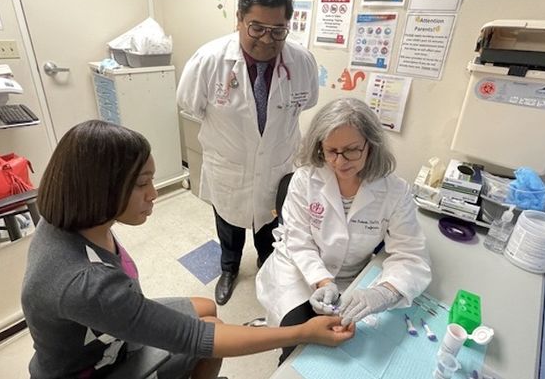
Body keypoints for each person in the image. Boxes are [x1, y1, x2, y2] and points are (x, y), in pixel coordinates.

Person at [21, 120, 353, 379]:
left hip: (104, 329)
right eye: (141, 184)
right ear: (99, 189)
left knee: (207, 307)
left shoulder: (71, 219)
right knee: (214, 335)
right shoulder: (86, 284)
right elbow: (194, 338)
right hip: (93, 367)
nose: (153, 193)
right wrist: (301, 332)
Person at [255, 98, 432, 363]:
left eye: (351, 150)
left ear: (370, 146)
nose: (340, 161)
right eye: (331, 151)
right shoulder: (305, 179)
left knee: (349, 349)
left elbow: (411, 255)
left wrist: (384, 292)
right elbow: (300, 240)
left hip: (353, 279)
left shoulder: (394, 192)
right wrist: (323, 281)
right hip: (297, 271)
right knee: (298, 346)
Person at [177, 0, 319, 305]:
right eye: (256, 28)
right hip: (229, 166)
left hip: (277, 164)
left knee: (271, 225)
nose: (267, 39)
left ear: (288, 25)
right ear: (239, 19)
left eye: (278, 30)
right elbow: (189, 104)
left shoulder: (302, 62)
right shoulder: (209, 60)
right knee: (228, 224)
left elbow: (307, 102)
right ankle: (228, 269)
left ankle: (267, 268)